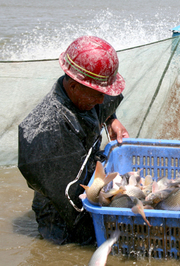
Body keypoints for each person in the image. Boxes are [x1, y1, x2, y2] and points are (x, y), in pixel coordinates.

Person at [18, 36, 129, 245]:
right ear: (74, 86)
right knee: (71, 248)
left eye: (104, 94)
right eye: (97, 94)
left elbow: (103, 103)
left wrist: (112, 120)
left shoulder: (89, 95)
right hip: (62, 211)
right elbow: (70, 198)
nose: (101, 100)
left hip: (84, 174)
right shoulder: (48, 131)